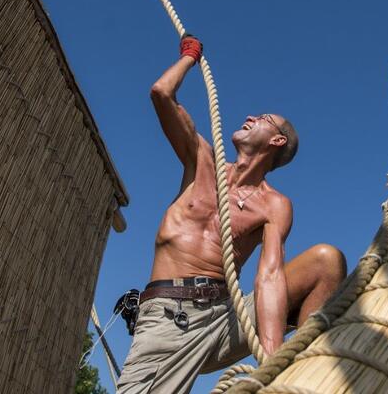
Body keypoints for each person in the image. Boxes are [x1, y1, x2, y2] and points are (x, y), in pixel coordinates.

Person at [117, 34, 347, 394]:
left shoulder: (274, 204)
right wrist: (190, 57)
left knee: (326, 261)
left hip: (226, 316)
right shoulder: (202, 161)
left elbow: (269, 277)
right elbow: (161, 93)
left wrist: (272, 365)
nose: (251, 116)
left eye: (263, 118)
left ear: (277, 141)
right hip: (166, 316)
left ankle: (299, 376)